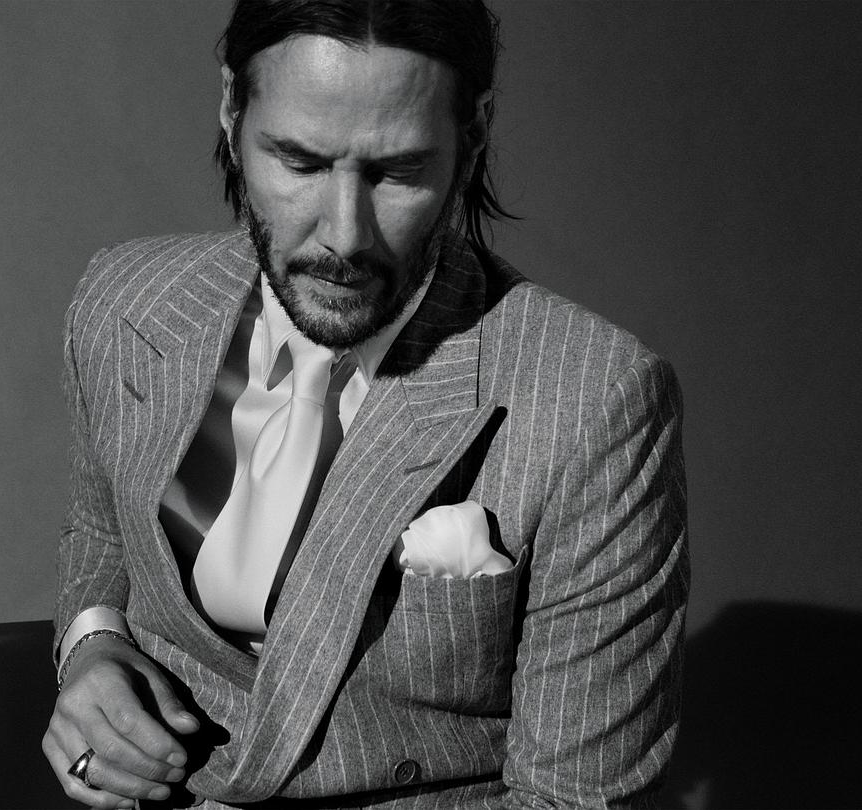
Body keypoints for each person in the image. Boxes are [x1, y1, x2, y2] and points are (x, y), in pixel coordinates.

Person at [43, 1, 689, 807]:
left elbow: (572, 800)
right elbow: (103, 533)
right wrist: (92, 648)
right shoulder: (124, 302)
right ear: (232, 111)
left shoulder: (593, 400)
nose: (345, 236)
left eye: (398, 173)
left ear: (472, 139)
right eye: (300, 163)